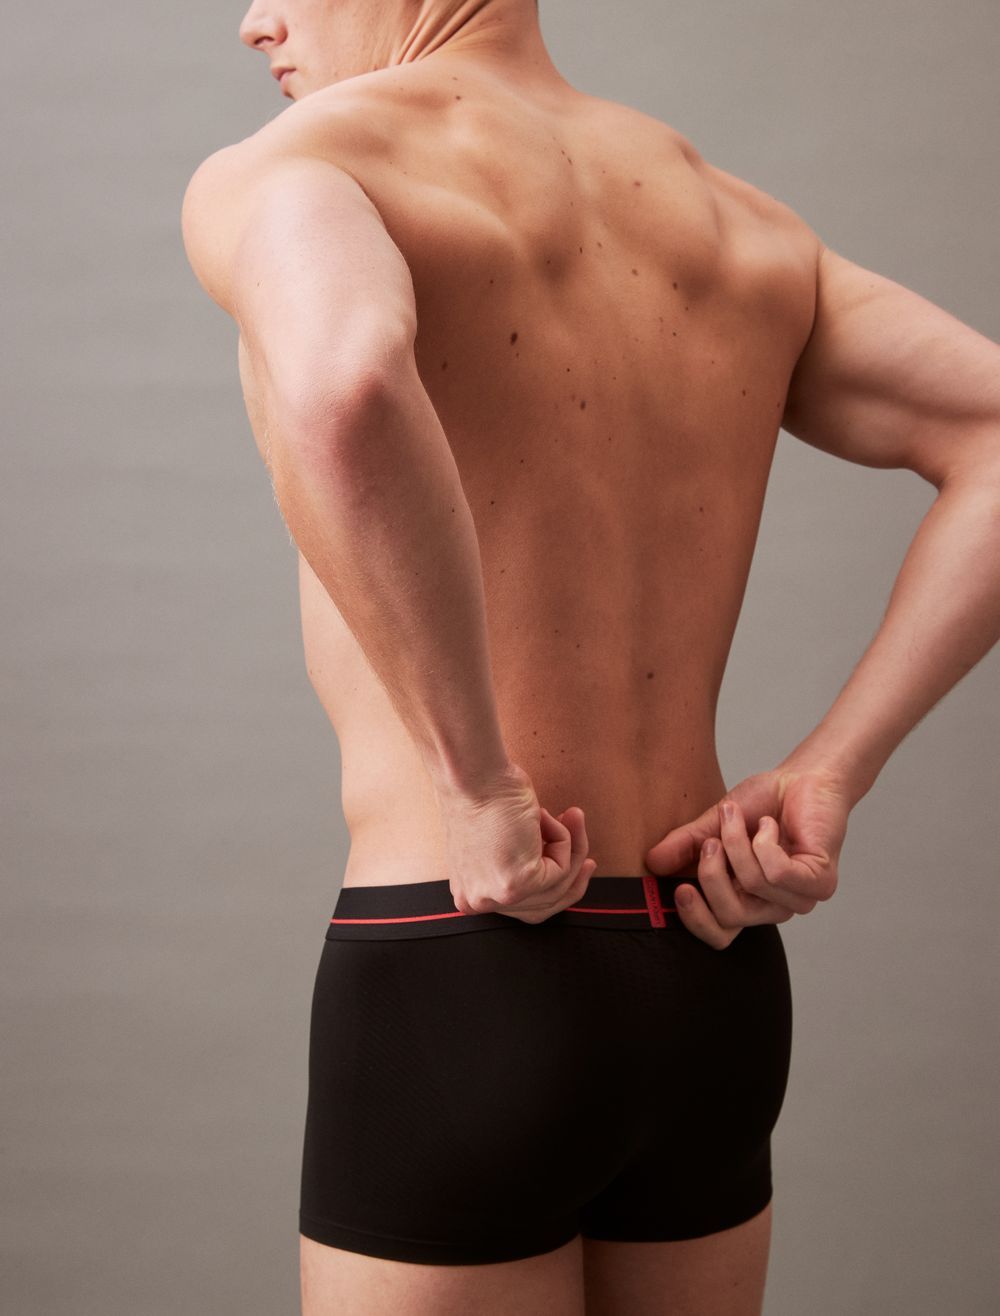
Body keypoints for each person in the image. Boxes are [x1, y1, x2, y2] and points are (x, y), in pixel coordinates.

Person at [180, 2, 1000, 1312]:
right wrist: (829, 771)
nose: (252, 21)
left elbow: (344, 381)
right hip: (705, 970)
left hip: (467, 951)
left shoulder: (303, 168)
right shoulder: (735, 223)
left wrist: (475, 780)